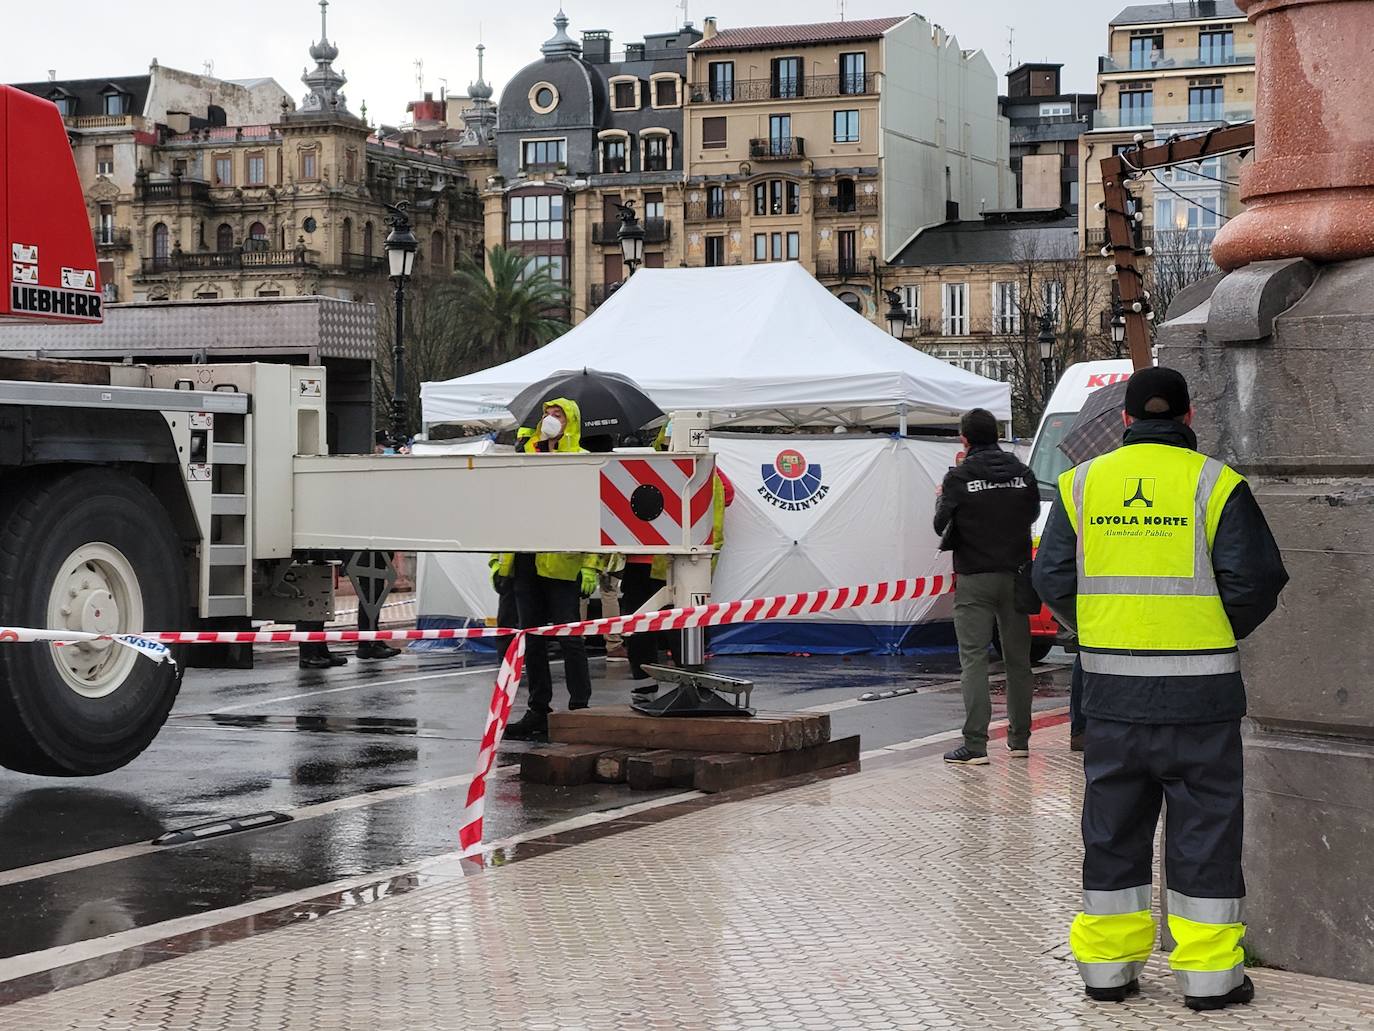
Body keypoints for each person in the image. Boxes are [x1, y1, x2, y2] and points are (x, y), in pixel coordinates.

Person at [1033, 367, 1288, 1011]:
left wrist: (1099, 628)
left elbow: (1052, 577)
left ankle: (1108, 970)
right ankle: (1209, 978)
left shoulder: (1080, 485)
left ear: (1123, 419)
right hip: (1200, 699)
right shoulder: (1216, 484)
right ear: (1188, 416)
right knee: (1205, 830)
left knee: (1112, 828)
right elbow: (1257, 581)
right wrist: (1209, 627)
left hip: (1112, 697)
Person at [934, 408, 1040, 765]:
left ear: (964, 439)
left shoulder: (959, 478)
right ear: (995, 435)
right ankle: (1020, 739)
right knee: (1018, 662)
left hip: (974, 576)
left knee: (974, 660)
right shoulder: (1022, 474)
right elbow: (1032, 514)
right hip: (1015, 574)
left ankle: (976, 745)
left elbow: (939, 524)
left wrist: (943, 497)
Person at [501, 400, 604, 741]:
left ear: (571, 421)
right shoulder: (526, 455)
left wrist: (591, 565)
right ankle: (538, 709)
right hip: (525, 559)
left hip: (563, 563)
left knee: (569, 638)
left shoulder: (581, 460)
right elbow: (505, 509)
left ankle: (579, 708)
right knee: (531, 638)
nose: (550, 419)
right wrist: (499, 561)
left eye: (558, 414)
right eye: (548, 414)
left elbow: (593, 516)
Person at [621, 421, 732, 701]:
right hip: (650, 560)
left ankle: (684, 685)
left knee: (671, 627)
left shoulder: (695, 468)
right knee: (651, 624)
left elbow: (723, 498)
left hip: (666, 561)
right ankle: (662, 683)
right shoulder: (661, 466)